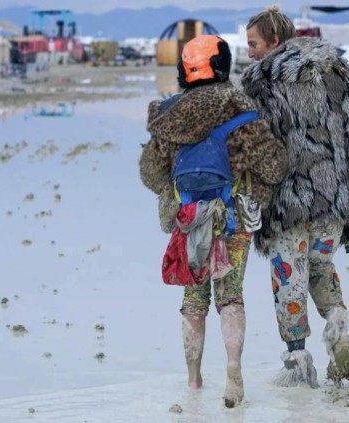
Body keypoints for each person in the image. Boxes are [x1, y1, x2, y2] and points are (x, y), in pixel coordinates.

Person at [139, 34, 287, 407]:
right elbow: (273, 166)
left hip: (187, 219)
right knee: (231, 294)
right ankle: (234, 372)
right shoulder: (241, 108)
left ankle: (193, 382)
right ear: (222, 65)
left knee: (193, 298)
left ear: (184, 69)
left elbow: (151, 175)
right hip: (234, 218)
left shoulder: (168, 113)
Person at [241, 5, 349, 387]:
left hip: (288, 201)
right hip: (335, 198)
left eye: (253, 44)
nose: (249, 52)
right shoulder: (338, 72)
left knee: (289, 279)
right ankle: (340, 328)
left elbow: (256, 147)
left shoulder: (263, 81)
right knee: (321, 268)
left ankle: (298, 360)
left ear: (275, 42)